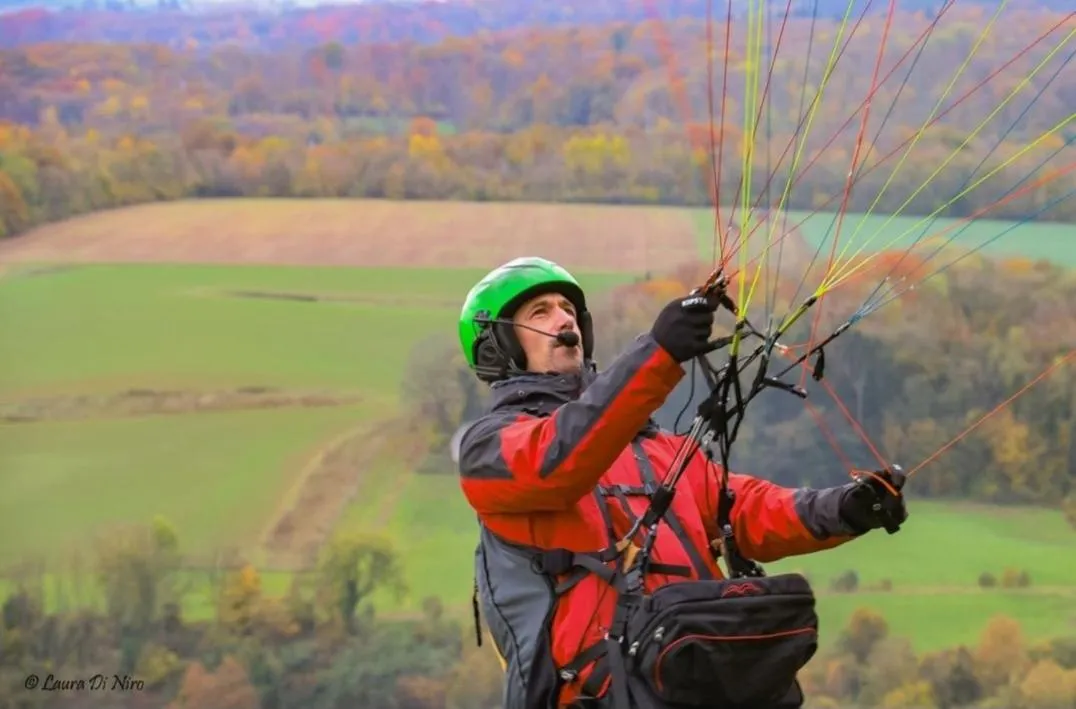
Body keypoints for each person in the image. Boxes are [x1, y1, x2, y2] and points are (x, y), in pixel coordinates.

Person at [454, 256, 908, 709]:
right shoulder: (488, 450)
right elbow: (557, 459)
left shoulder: (659, 450)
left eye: (568, 309)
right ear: (499, 346)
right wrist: (657, 353)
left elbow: (747, 508)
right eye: (541, 313)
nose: (563, 319)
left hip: (693, 677)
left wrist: (843, 509)